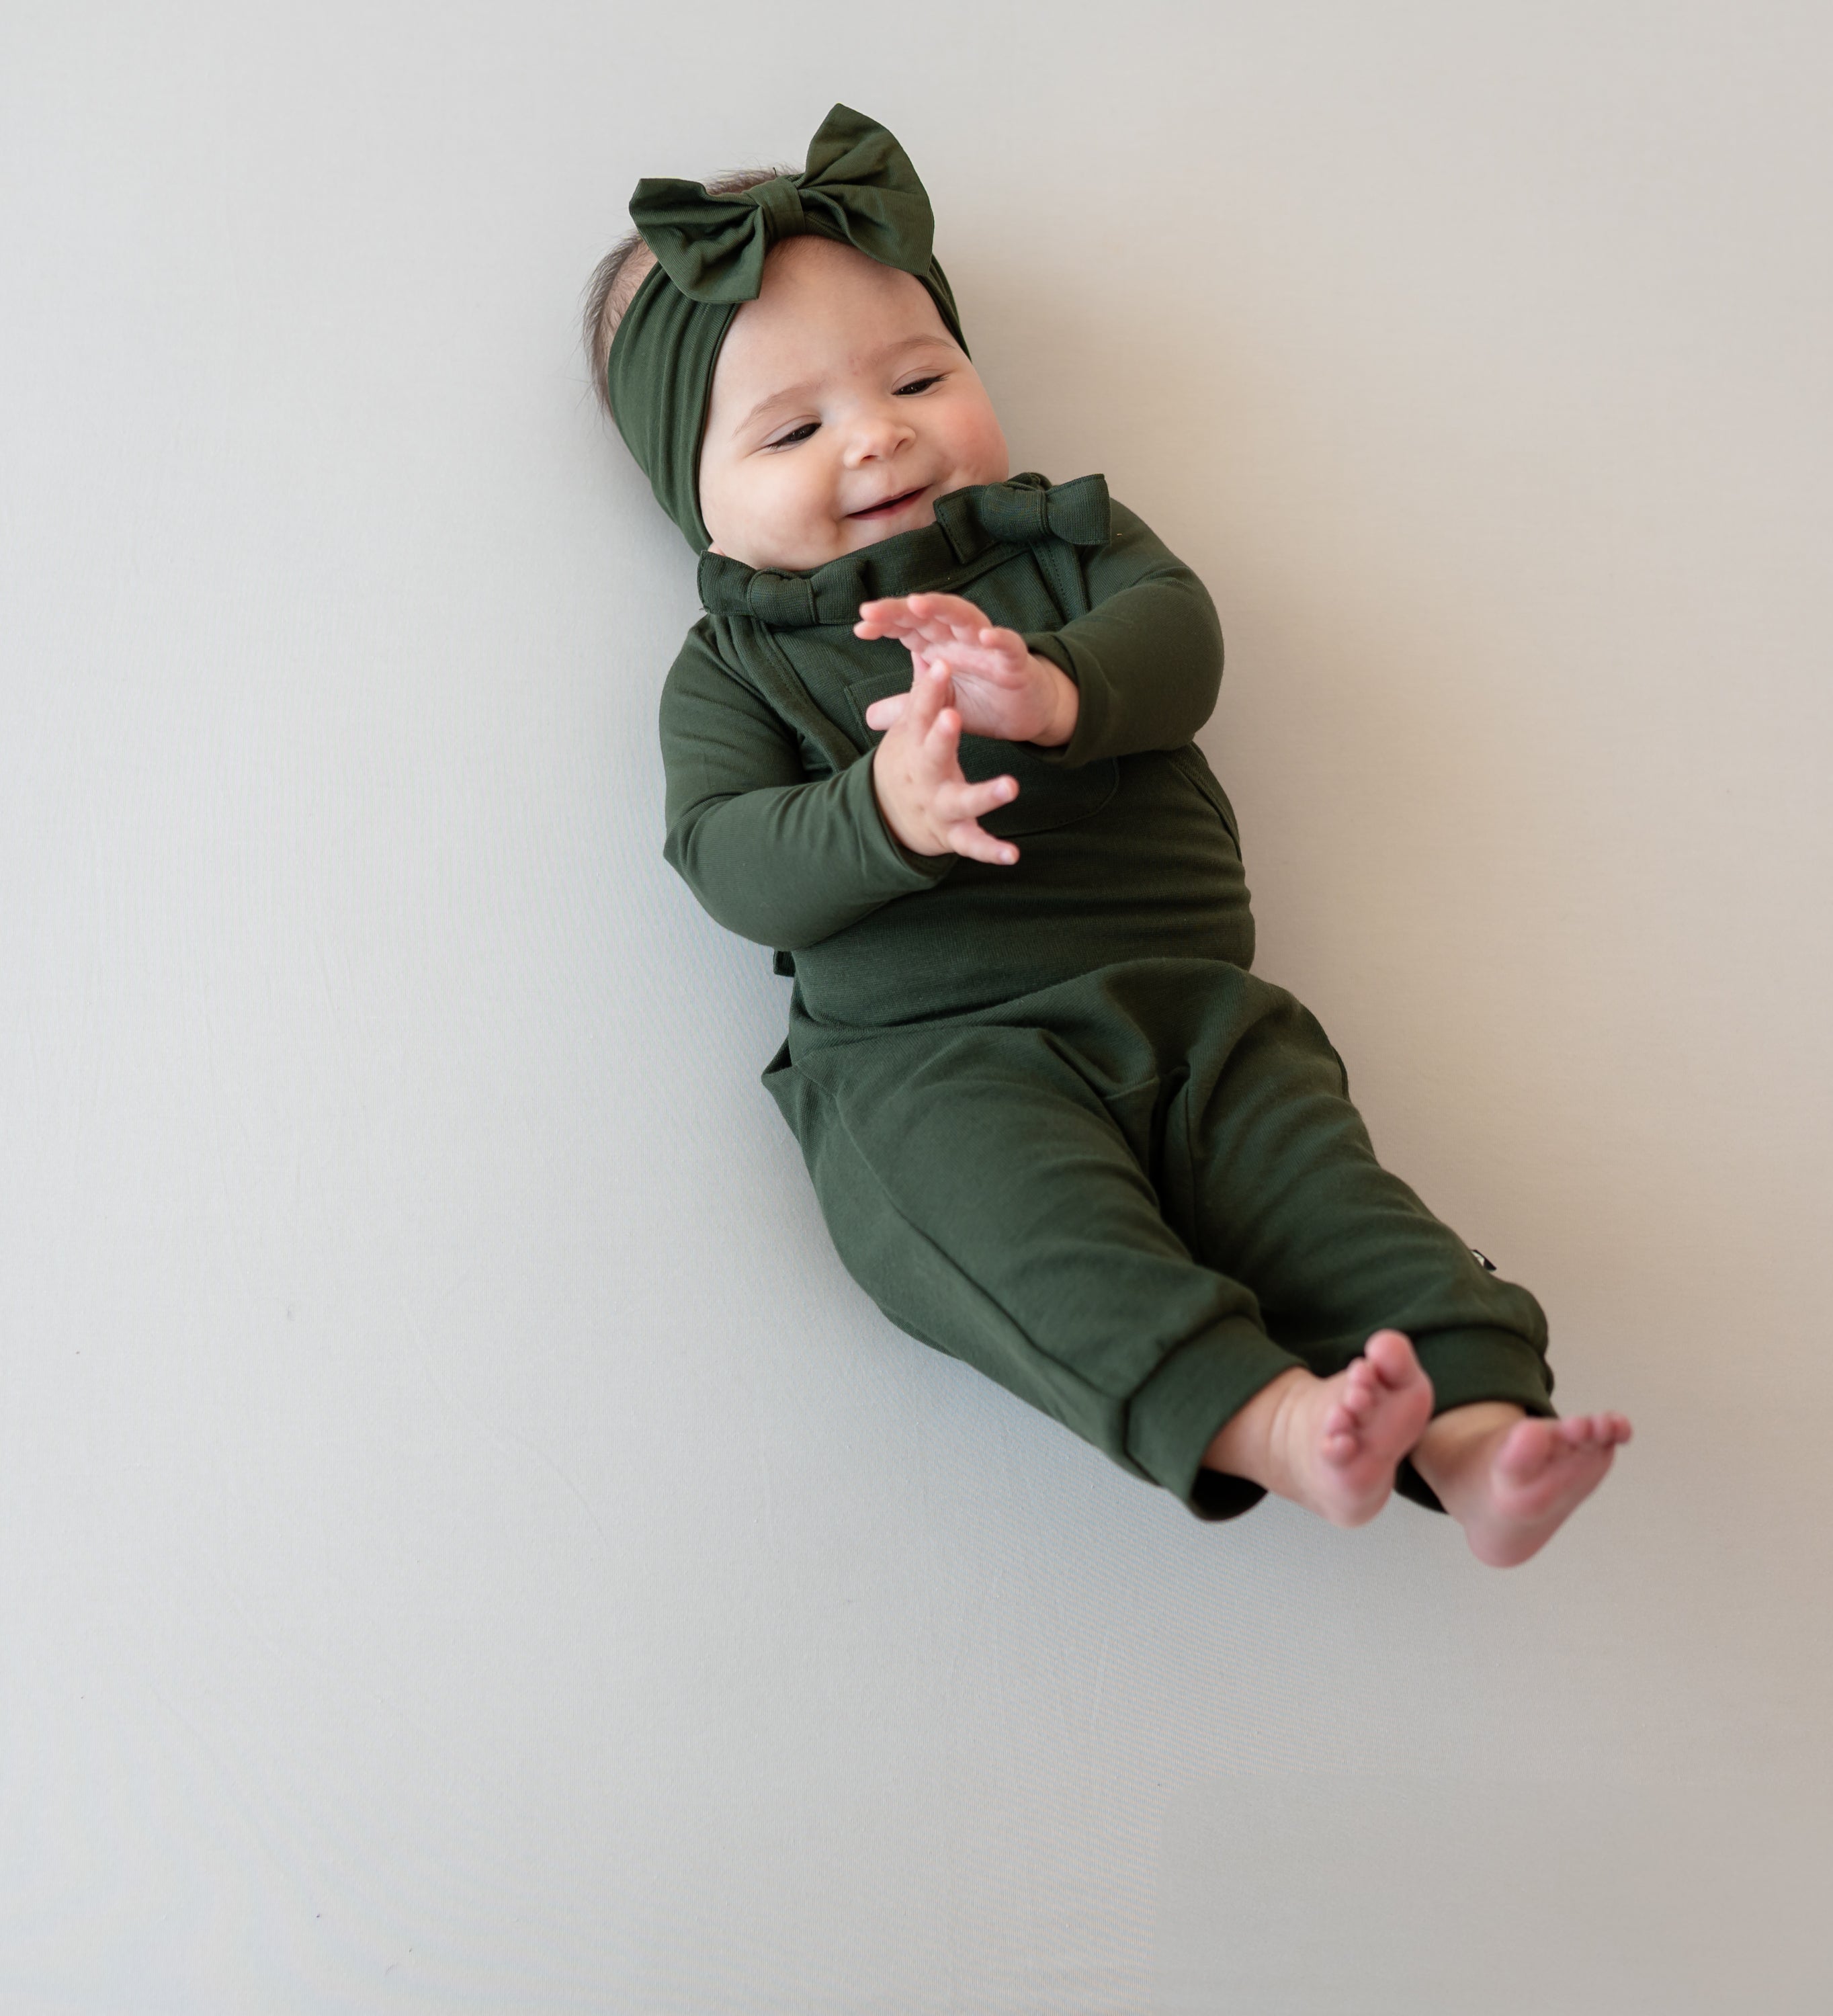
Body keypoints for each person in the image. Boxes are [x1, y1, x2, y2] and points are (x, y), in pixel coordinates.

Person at [586, 105, 1630, 1564]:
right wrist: (883, 814)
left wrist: (1058, 685)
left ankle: (1476, 1436)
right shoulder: (732, 673)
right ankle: (1270, 1423)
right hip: (933, 1059)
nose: (880, 434)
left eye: (919, 375)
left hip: (1197, 1010)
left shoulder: (1062, 545)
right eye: (797, 427)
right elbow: (726, 858)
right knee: (1026, 1237)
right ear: (695, 502)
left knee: (1331, 1199)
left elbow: (1184, 637)